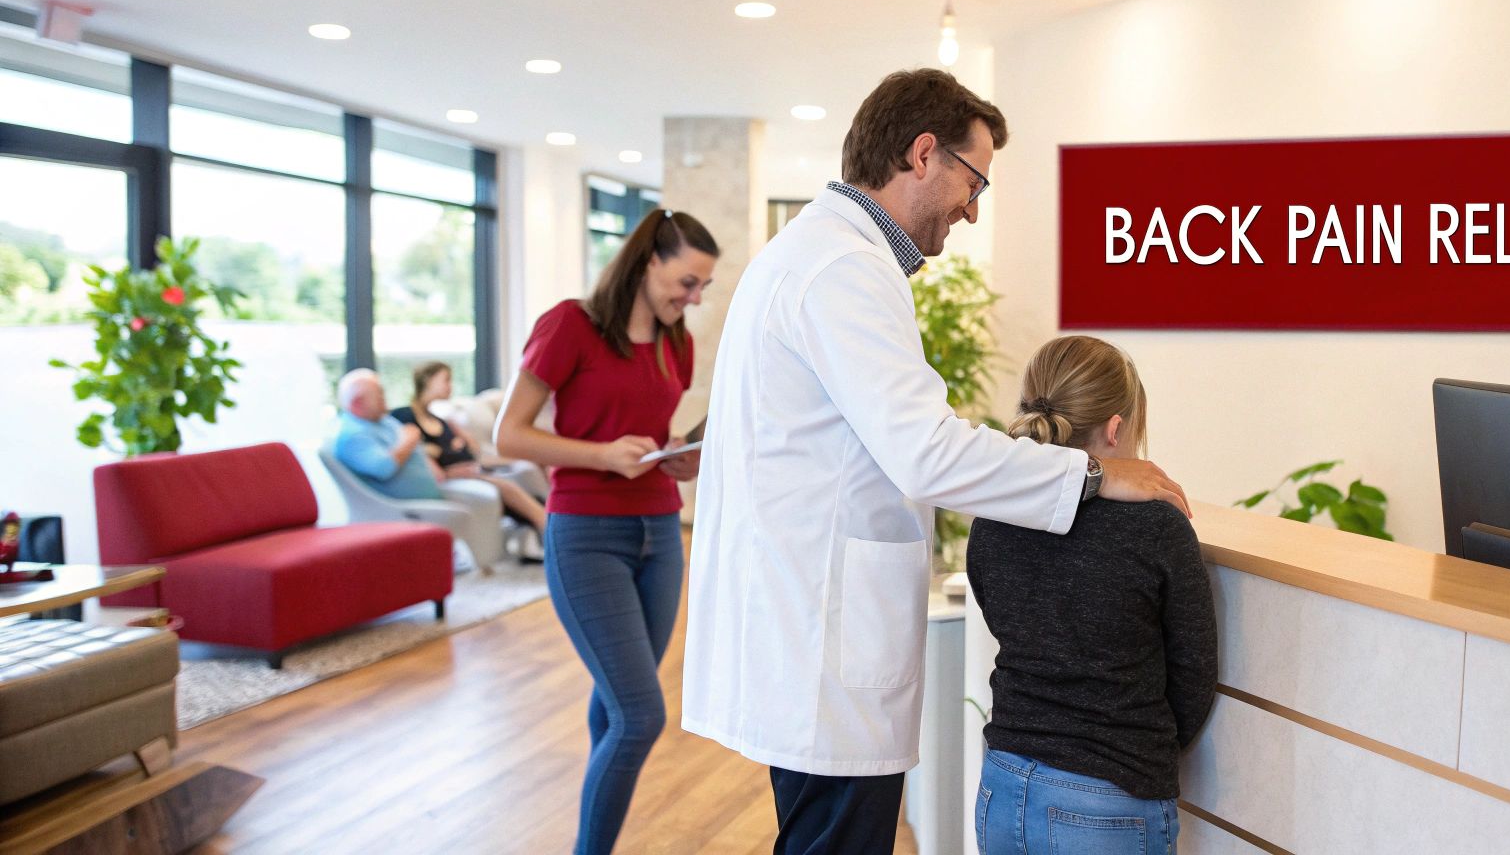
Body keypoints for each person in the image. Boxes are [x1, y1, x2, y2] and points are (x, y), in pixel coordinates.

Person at [682, 68, 1191, 855]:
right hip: (820, 640)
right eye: (974, 180)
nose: (973, 208)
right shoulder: (842, 269)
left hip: (804, 627)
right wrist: (1094, 474)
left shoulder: (820, 255)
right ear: (925, 154)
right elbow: (925, 452)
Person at [494, 208, 718, 855]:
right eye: (687, 282)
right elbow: (510, 434)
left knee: (614, 706)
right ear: (648, 261)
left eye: (703, 287)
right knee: (641, 714)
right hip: (587, 536)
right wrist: (601, 454)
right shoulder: (571, 325)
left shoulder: (679, 342)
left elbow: (648, 432)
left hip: (659, 531)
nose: (694, 298)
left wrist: (677, 454)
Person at [969, 336, 1218, 855]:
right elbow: (1193, 674)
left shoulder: (995, 516)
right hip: (1110, 803)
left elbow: (1002, 618)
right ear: (1115, 428)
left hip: (1004, 781)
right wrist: (1135, 750)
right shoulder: (1157, 527)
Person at [332, 368, 503, 535]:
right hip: (401, 509)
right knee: (496, 489)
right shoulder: (352, 436)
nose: (384, 399)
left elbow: (417, 448)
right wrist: (408, 441)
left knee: (493, 491)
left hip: (437, 488)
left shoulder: (382, 421)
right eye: (379, 395)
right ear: (357, 404)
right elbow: (384, 468)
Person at [393, 360, 547, 535]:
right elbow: (415, 452)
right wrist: (443, 467)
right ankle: (547, 527)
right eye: (446, 380)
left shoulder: (442, 421)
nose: (450, 386)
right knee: (508, 488)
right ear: (428, 381)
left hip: (473, 468)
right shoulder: (404, 416)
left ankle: (544, 524)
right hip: (452, 478)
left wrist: (462, 436)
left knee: (528, 485)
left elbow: (472, 449)